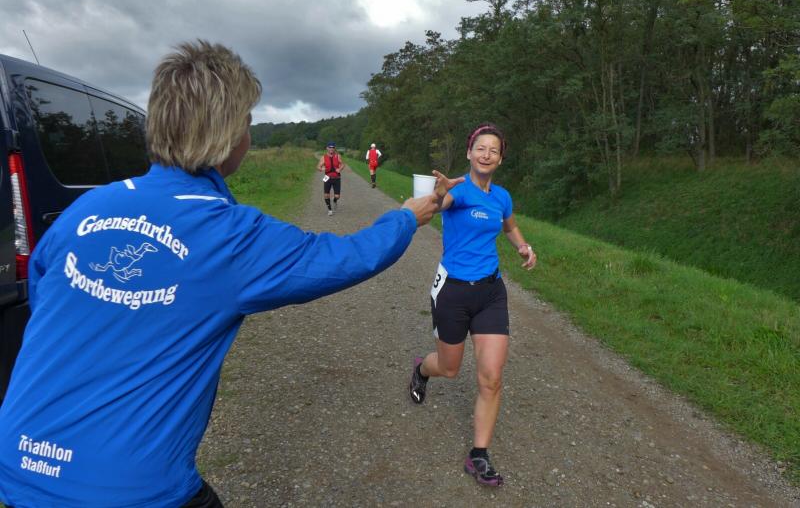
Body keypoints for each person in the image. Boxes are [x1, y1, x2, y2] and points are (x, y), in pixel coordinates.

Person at [0, 40, 452, 508]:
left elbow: (43, 297)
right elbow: (346, 257)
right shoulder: (229, 234)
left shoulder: (85, 208)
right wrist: (405, 217)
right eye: (248, 123)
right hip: (127, 488)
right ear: (230, 136)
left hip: (17, 460)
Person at [408, 123, 537, 487]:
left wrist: (523, 246)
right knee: (449, 368)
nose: (486, 154)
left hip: (491, 292)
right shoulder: (457, 190)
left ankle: (478, 454)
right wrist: (438, 193)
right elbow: (434, 207)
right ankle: (422, 369)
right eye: (480, 148)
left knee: (491, 378)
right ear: (469, 153)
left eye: (493, 150)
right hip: (453, 291)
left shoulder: (502, 197)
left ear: (500, 159)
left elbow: (509, 227)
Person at [317, 142, 344, 215]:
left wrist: (340, 169)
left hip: (336, 178)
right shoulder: (323, 157)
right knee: (326, 195)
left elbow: (342, 164)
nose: (331, 149)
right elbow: (318, 166)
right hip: (327, 178)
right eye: (330, 147)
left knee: (337, 196)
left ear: (334, 148)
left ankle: (335, 200)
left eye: (333, 147)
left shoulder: (338, 156)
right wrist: (321, 169)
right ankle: (330, 210)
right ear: (327, 148)